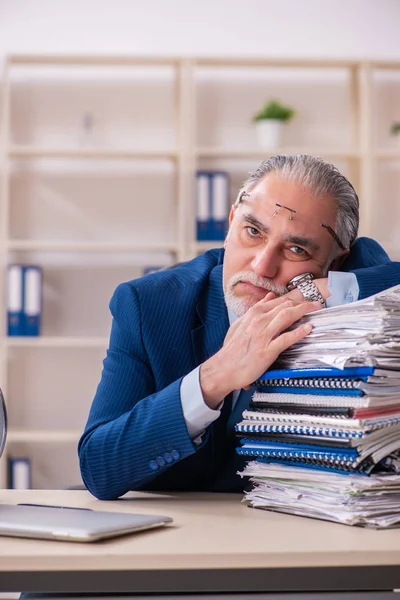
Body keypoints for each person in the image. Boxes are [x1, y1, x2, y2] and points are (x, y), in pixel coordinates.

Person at [78, 154, 400, 500]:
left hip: (304, 529)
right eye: (252, 231)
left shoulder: (347, 279)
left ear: (335, 262)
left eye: (295, 249)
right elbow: (99, 466)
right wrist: (214, 378)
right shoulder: (148, 305)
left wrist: (324, 290)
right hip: (176, 533)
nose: (263, 266)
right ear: (231, 222)